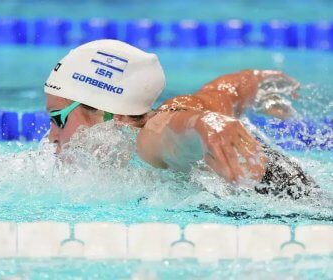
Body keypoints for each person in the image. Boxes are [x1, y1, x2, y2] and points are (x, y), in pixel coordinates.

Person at [45, 39, 318, 199]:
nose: (51, 136)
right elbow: (224, 91)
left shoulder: (147, 140)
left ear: (111, 116)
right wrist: (257, 82)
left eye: (58, 118)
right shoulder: (178, 108)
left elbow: (173, 133)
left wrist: (202, 124)